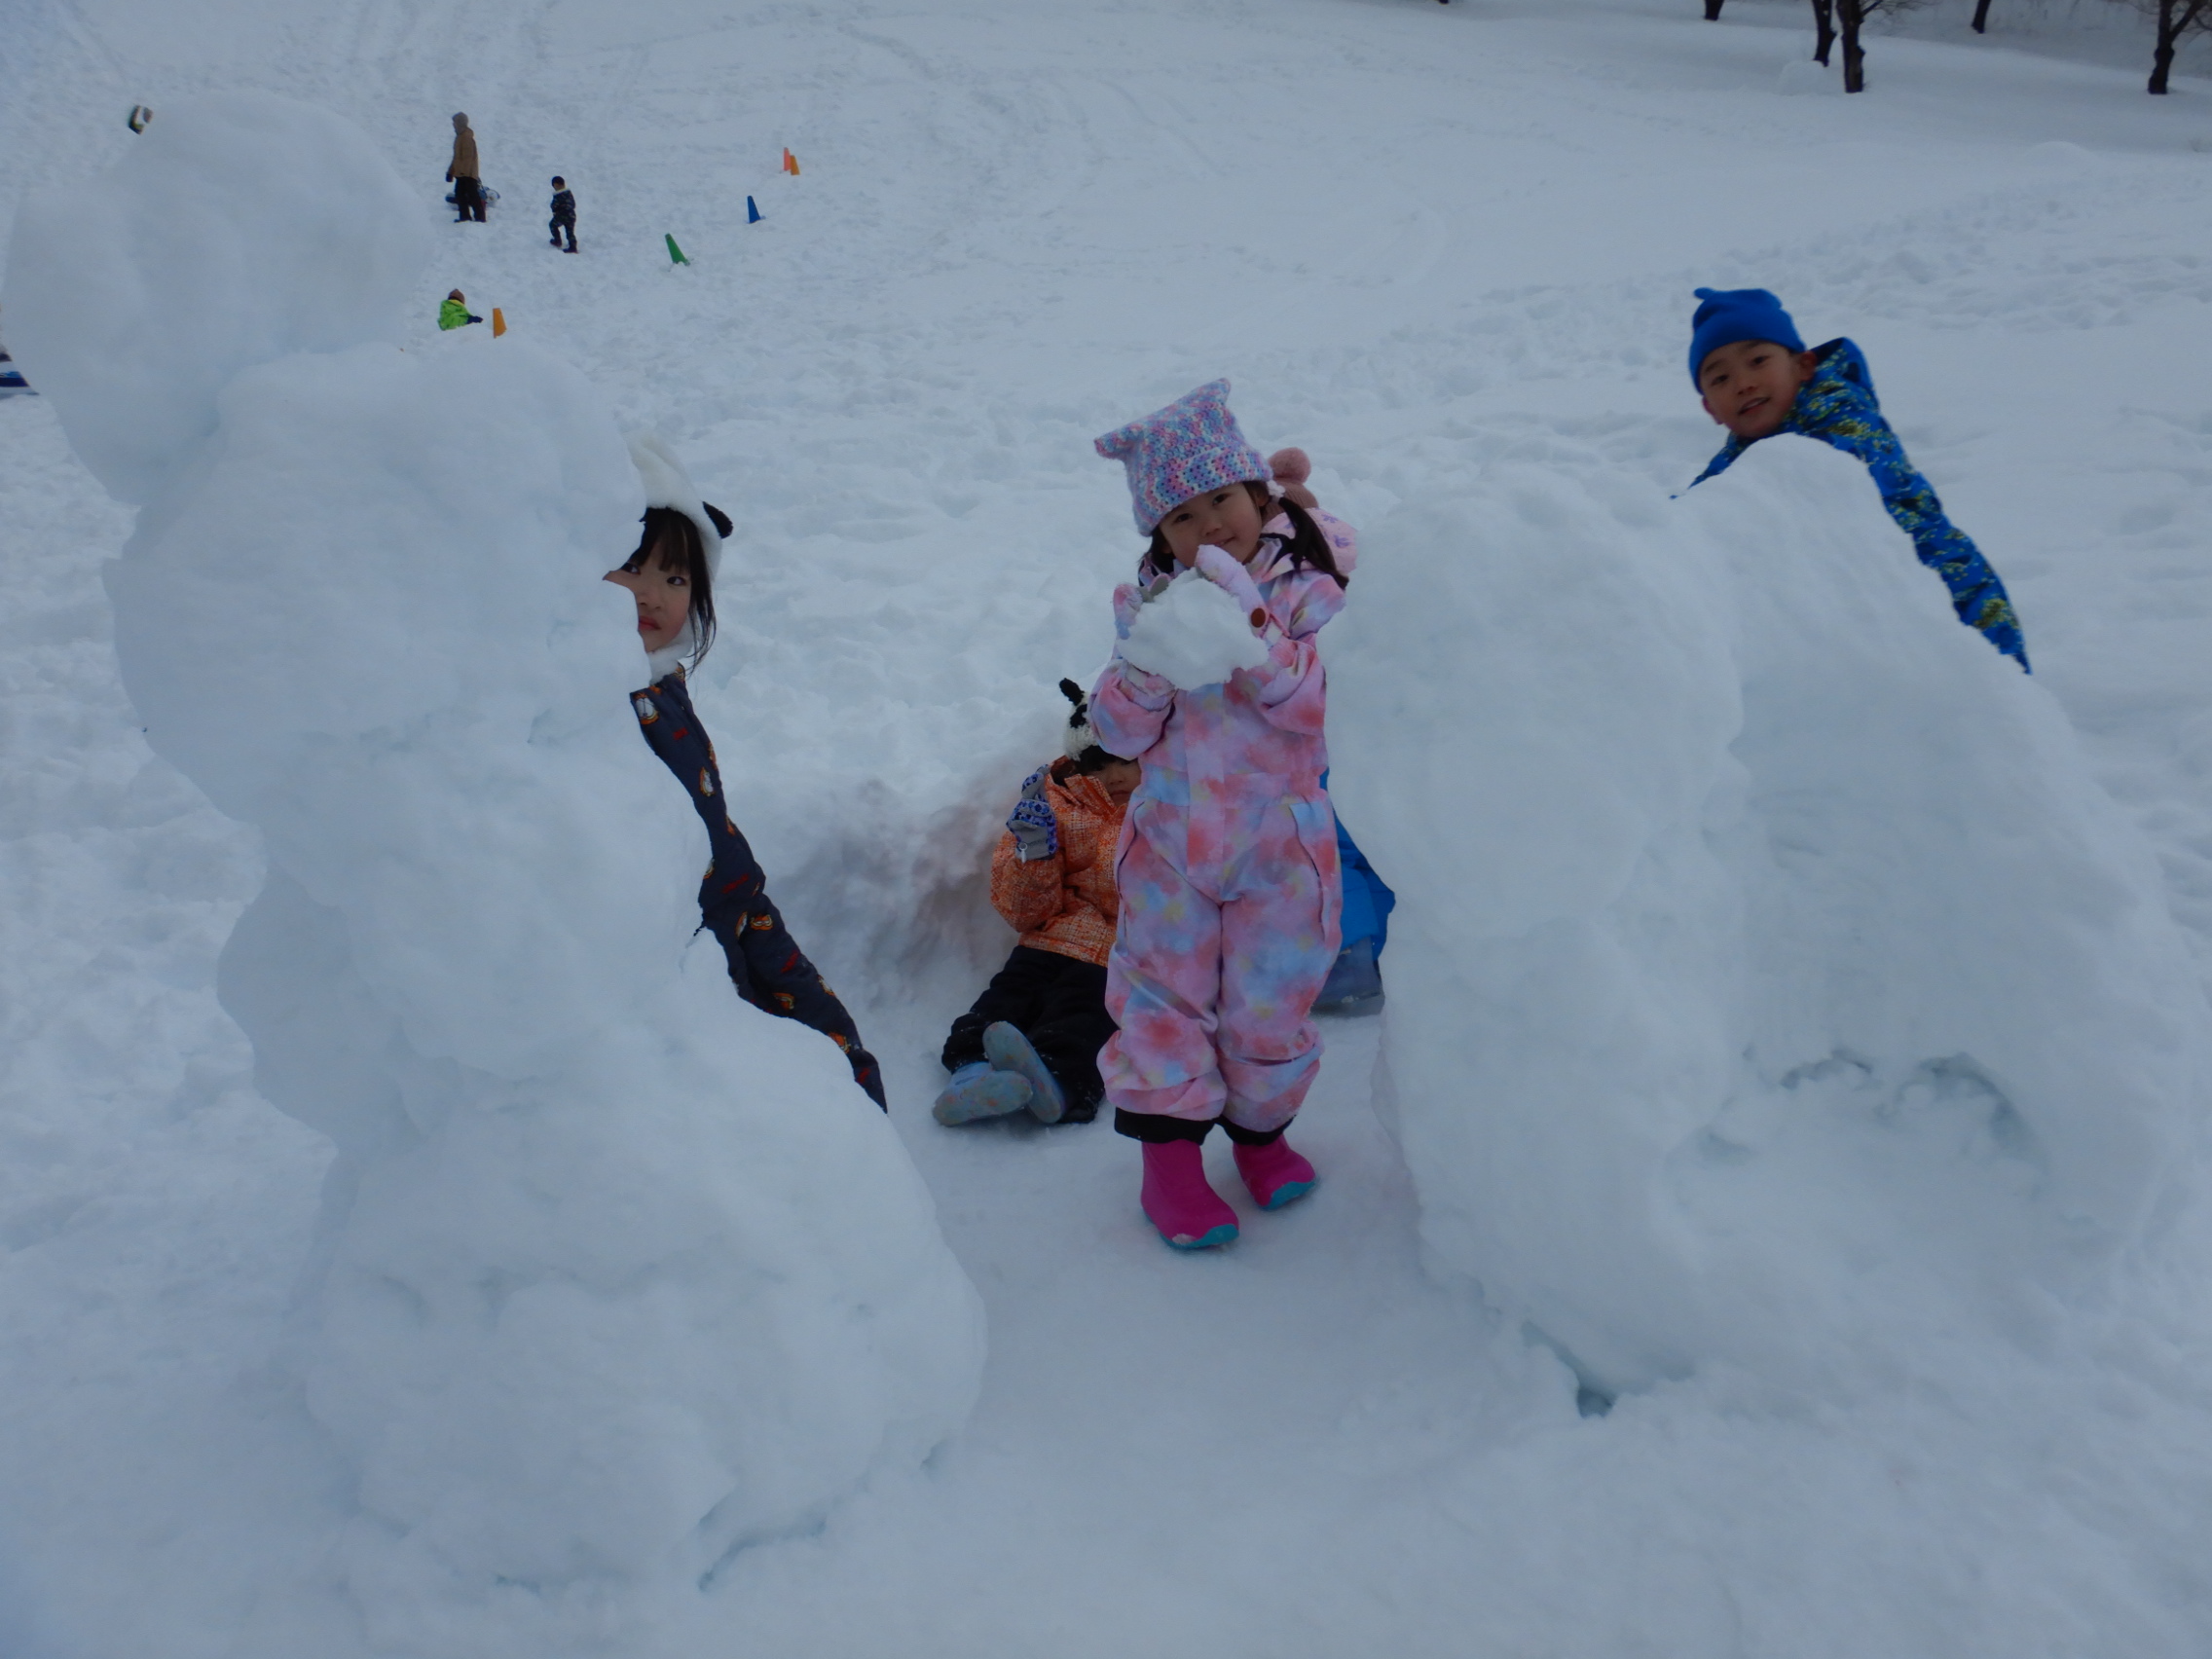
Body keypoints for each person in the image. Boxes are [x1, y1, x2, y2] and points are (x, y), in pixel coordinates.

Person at [1088, 380, 1354, 1250]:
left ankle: (1261, 1138)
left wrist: (1253, 624)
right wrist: (1145, 670)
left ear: (1256, 493)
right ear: (1158, 534)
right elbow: (1116, 734)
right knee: (1162, 999)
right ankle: (1168, 1169)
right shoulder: (1152, 606)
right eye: (1181, 516)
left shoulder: (1309, 589)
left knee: (1272, 1001)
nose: (1208, 525)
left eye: (1220, 500)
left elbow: (1322, 705)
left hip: (1282, 845)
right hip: (1172, 846)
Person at [606, 435, 888, 1108]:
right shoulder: (586, 703)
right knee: (744, 1084)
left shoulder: (661, 682)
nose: (652, 594)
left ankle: (865, 1149)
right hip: (682, 940)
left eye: (676, 579)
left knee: (828, 1039)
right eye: (631, 567)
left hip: (740, 903)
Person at [1686, 286, 2028, 670]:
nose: (1743, 383)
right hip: (1861, 607)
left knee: (1989, 685)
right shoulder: (1738, 458)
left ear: (1804, 366)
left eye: (1758, 361)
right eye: (1721, 379)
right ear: (1710, 409)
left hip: (1946, 584)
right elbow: (1696, 513)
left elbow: (1824, 476)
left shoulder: (1841, 413)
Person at [935, 682, 1136, 1128]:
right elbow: (1025, 913)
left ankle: (1059, 1084)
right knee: (1002, 1002)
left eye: (1127, 760)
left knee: (1083, 1018)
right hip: (1046, 941)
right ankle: (971, 1074)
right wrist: (1034, 854)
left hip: (1118, 954)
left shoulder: (1167, 811)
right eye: (1100, 766)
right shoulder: (1053, 805)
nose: (1116, 777)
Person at [446, 112, 485, 224]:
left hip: (468, 173)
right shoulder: (459, 137)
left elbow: (468, 157)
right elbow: (456, 158)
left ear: (460, 123)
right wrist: (450, 172)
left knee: (472, 195)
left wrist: (463, 172)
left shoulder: (466, 137)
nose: (453, 124)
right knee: (460, 194)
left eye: (454, 122)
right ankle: (465, 217)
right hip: (461, 173)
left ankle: (480, 217)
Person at [549, 176, 577, 252]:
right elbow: (573, 204)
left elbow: (554, 205)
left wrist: (556, 209)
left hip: (562, 216)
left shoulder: (558, 195)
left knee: (552, 225)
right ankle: (573, 247)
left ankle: (557, 240)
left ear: (556, 185)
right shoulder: (568, 193)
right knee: (570, 232)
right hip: (571, 216)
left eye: (555, 185)